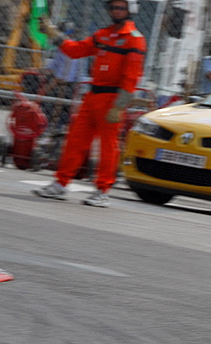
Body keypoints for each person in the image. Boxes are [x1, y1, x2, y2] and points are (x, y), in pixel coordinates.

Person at [34, 0, 145, 208]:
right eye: (113, 7)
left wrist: (119, 106)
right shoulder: (103, 35)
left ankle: (103, 191)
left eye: (121, 8)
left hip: (112, 100)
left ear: (130, 11)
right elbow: (76, 50)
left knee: (108, 147)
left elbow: (132, 78)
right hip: (92, 96)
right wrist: (53, 34)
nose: (116, 11)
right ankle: (60, 184)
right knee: (75, 141)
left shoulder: (134, 40)